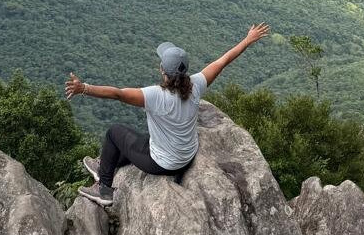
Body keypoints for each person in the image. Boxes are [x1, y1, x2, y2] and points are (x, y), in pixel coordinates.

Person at [64, 23, 270, 207]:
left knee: (114, 133)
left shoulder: (154, 96)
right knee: (137, 140)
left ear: (163, 70)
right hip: (187, 156)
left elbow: (118, 94)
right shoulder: (196, 84)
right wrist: (248, 40)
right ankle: (105, 165)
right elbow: (223, 61)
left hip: (163, 164)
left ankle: (104, 189)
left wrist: (84, 88)